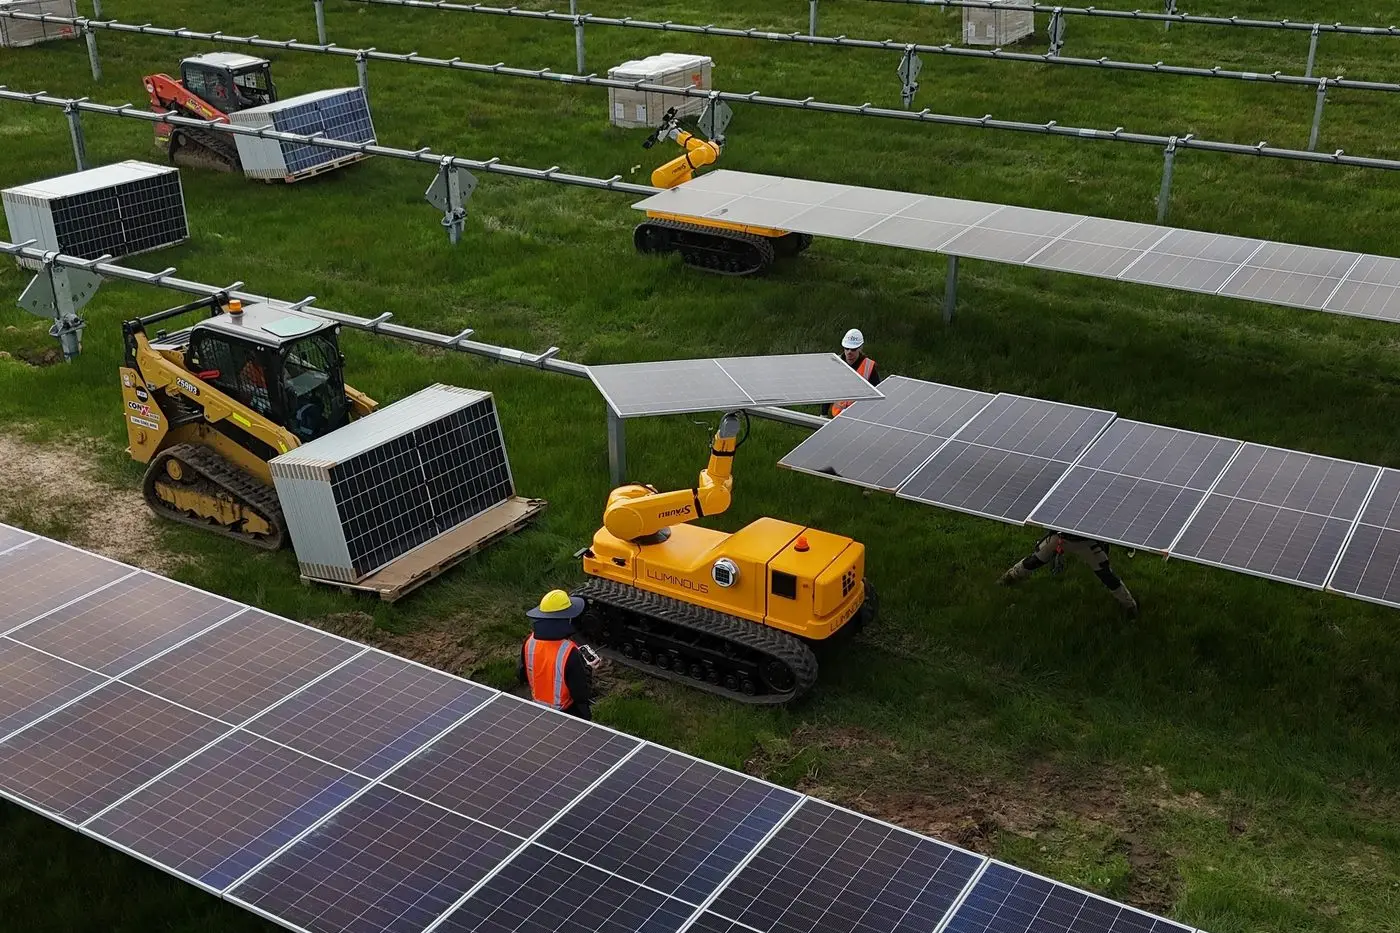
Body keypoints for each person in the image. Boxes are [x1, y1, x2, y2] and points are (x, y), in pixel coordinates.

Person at [998, 531, 1140, 618]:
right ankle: (1010, 577)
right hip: (1060, 537)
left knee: (1106, 575)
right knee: (1033, 561)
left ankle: (1130, 606)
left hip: (1087, 542)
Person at [517, 589, 600, 719]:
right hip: (566, 712)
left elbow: (521, 675)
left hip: (537, 707)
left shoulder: (529, 641)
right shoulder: (569, 651)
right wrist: (588, 668)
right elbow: (581, 694)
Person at [826, 328, 882, 417]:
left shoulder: (869, 367)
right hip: (836, 417)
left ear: (860, 348)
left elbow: (875, 396)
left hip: (858, 417)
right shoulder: (836, 363)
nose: (849, 352)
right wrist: (823, 414)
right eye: (846, 348)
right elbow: (828, 390)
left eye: (853, 349)